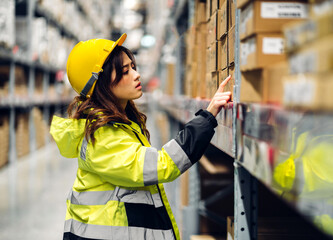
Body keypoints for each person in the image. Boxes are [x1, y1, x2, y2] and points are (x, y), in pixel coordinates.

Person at [50, 33, 232, 240]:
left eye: (133, 67)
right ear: (99, 83)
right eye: (125, 71)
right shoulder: (102, 138)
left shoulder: (119, 125)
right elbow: (162, 165)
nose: (136, 75)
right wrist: (207, 118)